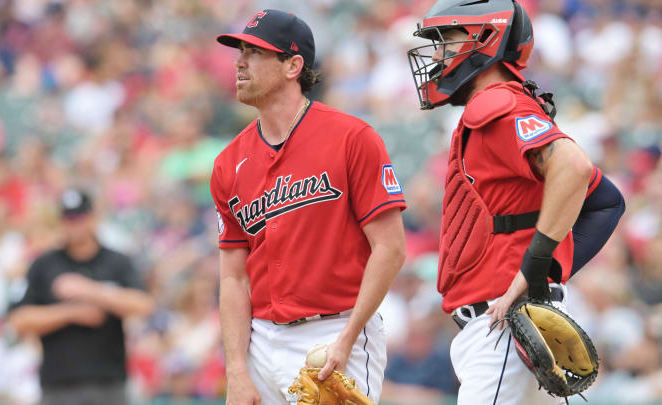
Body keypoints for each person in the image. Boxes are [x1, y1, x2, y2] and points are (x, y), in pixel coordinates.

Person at [406, 1, 625, 404]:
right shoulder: (497, 107)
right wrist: (546, 273)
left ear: (485, 39)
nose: (436, 55)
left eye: (446, 41)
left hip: (502, 323)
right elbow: (605, 202)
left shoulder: (496, 102)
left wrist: (536, 266)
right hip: (512, 320)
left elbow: (574, 168)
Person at [211, 9, 407, 405]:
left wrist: (348, 339)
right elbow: (233, 278)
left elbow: (390, 248)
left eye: (255, 52)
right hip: (261, 340)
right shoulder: (229, 162)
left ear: (293, 65)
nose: (240, 62)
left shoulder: (352, 138)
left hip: (334, 329)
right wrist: (236, 369)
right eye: (240, 51)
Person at [8, 188, 154, 405]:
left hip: (108, 384)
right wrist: (71, 313)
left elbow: (143, 305)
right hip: (57, 386)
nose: (73, 224)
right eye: (67, 218)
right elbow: (19, 320)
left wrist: (91, 291)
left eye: (78, 217)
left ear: (93, 218)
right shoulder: (44, 265)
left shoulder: (116, 262)